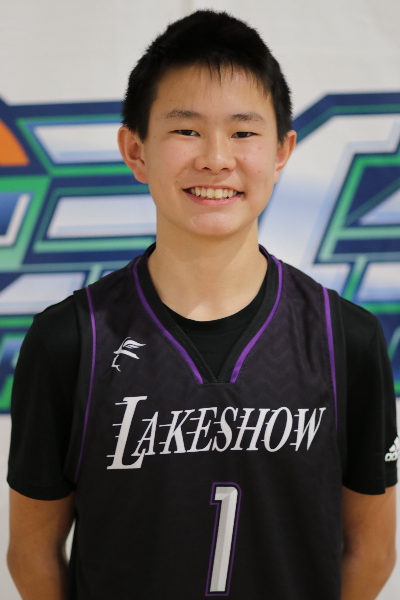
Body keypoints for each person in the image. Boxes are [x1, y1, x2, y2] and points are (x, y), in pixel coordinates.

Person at [7, 10, 398, 600]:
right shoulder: (70, 341)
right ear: (135, 150)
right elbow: (32, 554)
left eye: (243, 133)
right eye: (186, 130)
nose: (216, 158)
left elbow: (372, 550)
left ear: (282, 150)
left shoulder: (345, 340)